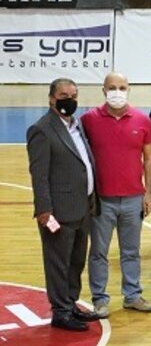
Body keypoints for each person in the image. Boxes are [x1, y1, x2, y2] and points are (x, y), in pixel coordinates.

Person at [27, 78, 101, 331]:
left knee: (76, 261)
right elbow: (39, 175)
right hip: (59, 211)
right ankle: (60, 312)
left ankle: (70, 303)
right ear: (51, 98)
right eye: (63, 95)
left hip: (83, 207)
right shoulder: (41, 129)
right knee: (58, 263)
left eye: (74, 95)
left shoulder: (77, 125)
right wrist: (44, 211)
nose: (69, 100)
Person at [81, 73, 151, 317]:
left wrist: (148, 193)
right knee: (98, 252)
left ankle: (132, 295)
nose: (117, 92)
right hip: (101, 200)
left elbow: (150, 158)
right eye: (112, 87)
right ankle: (100, 299)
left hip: (134, 198)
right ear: (103, 90)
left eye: (122, 87)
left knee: (131, 251)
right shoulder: (88, 120)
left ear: (129, 90)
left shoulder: (142, 120)